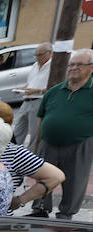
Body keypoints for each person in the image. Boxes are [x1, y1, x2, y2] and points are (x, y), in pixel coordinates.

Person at [34, 48, 93, 220]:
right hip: (48, 143)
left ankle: (66, 214)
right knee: (43, 176)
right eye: (71, 64)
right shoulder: (54, 91)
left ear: (91, 68)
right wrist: (38, 145)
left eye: (79, 65)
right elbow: (41, 119)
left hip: (80, 144)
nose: (74, 68)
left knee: (74, 182)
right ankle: (40, 209)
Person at [13, 42, 52, 150]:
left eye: (40, 55)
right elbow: (30, 83)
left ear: (50, 53)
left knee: (34, 133)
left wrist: (37, 91)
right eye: (36, 55)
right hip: (26, 100)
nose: (37, 57)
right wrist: (21, 88)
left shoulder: (53, 66)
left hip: (38, 101)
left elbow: (53, 87)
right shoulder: (35, 65)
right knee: (18, 129)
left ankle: (31, 157)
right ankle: (13, 152)